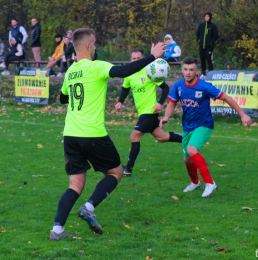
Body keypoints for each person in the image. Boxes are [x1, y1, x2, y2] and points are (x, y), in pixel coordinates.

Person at [49, 28, 167, 241]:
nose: (94, 47)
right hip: (92, 133)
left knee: (75, 185)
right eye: (94, 44)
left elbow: (63, 99)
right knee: (115, 173)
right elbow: (124, 71)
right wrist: (153, 57)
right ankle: (88, 207)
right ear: (87, 46)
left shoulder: (70, 71)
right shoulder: (97, 67)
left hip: (70, 134)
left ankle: (57, 230)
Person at [160, 57, 252, 198]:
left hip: (204, 125)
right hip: (188, 127)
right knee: (187, 159)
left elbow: (227, 98)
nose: (188, 72)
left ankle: (210, 183)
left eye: (191, 70)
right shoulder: (178, 86)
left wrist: (242, 115)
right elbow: (171, 104)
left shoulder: (205, 87)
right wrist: (166, 117)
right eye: (185, 69)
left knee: (191, 150)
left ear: (196, 71)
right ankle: (195, 183)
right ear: (182, 70)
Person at [115, 49, 182, 177]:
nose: (136, 60)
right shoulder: (129, 73)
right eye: (133, 58)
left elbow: (165, 87)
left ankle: (128, 169)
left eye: (138, 58)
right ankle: (187, 139)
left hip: (150, 111)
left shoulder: (150, 71)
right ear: (130, 60)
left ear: (143, 58)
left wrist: (159, 103)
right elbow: (125, 88)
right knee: (162, 137)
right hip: (143, 113)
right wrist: (120, 102)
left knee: (134, 136)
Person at [196, 12, 218, 81]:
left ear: (210, 17)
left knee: (209, 60)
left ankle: (211, 73)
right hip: (201, 46)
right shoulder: (201, 25)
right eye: (205, 16)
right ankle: (203, 74)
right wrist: (199, 41)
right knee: (202, 59)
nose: (206, 18)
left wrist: (211, 42)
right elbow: (197, 34)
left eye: (208, 16)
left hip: (209, 47)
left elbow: (216, 35)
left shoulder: (212, 26)